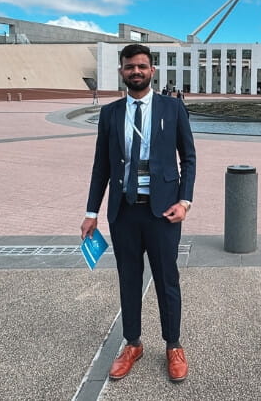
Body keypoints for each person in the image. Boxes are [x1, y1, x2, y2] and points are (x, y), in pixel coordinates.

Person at [81, 44, 197, 383]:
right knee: (128, 279)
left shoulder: (172, 108)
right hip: (124, 212)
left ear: (152, 71)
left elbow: (188, 159)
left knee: (167, 280)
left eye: (142, 66)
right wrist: (92, 212)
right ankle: (132, 344)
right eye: (130, 66)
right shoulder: (111, 114)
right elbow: (100, 165)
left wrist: (185, 201)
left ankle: (173, 344)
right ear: (122, 71)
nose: (136, 72)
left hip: (162, 213)